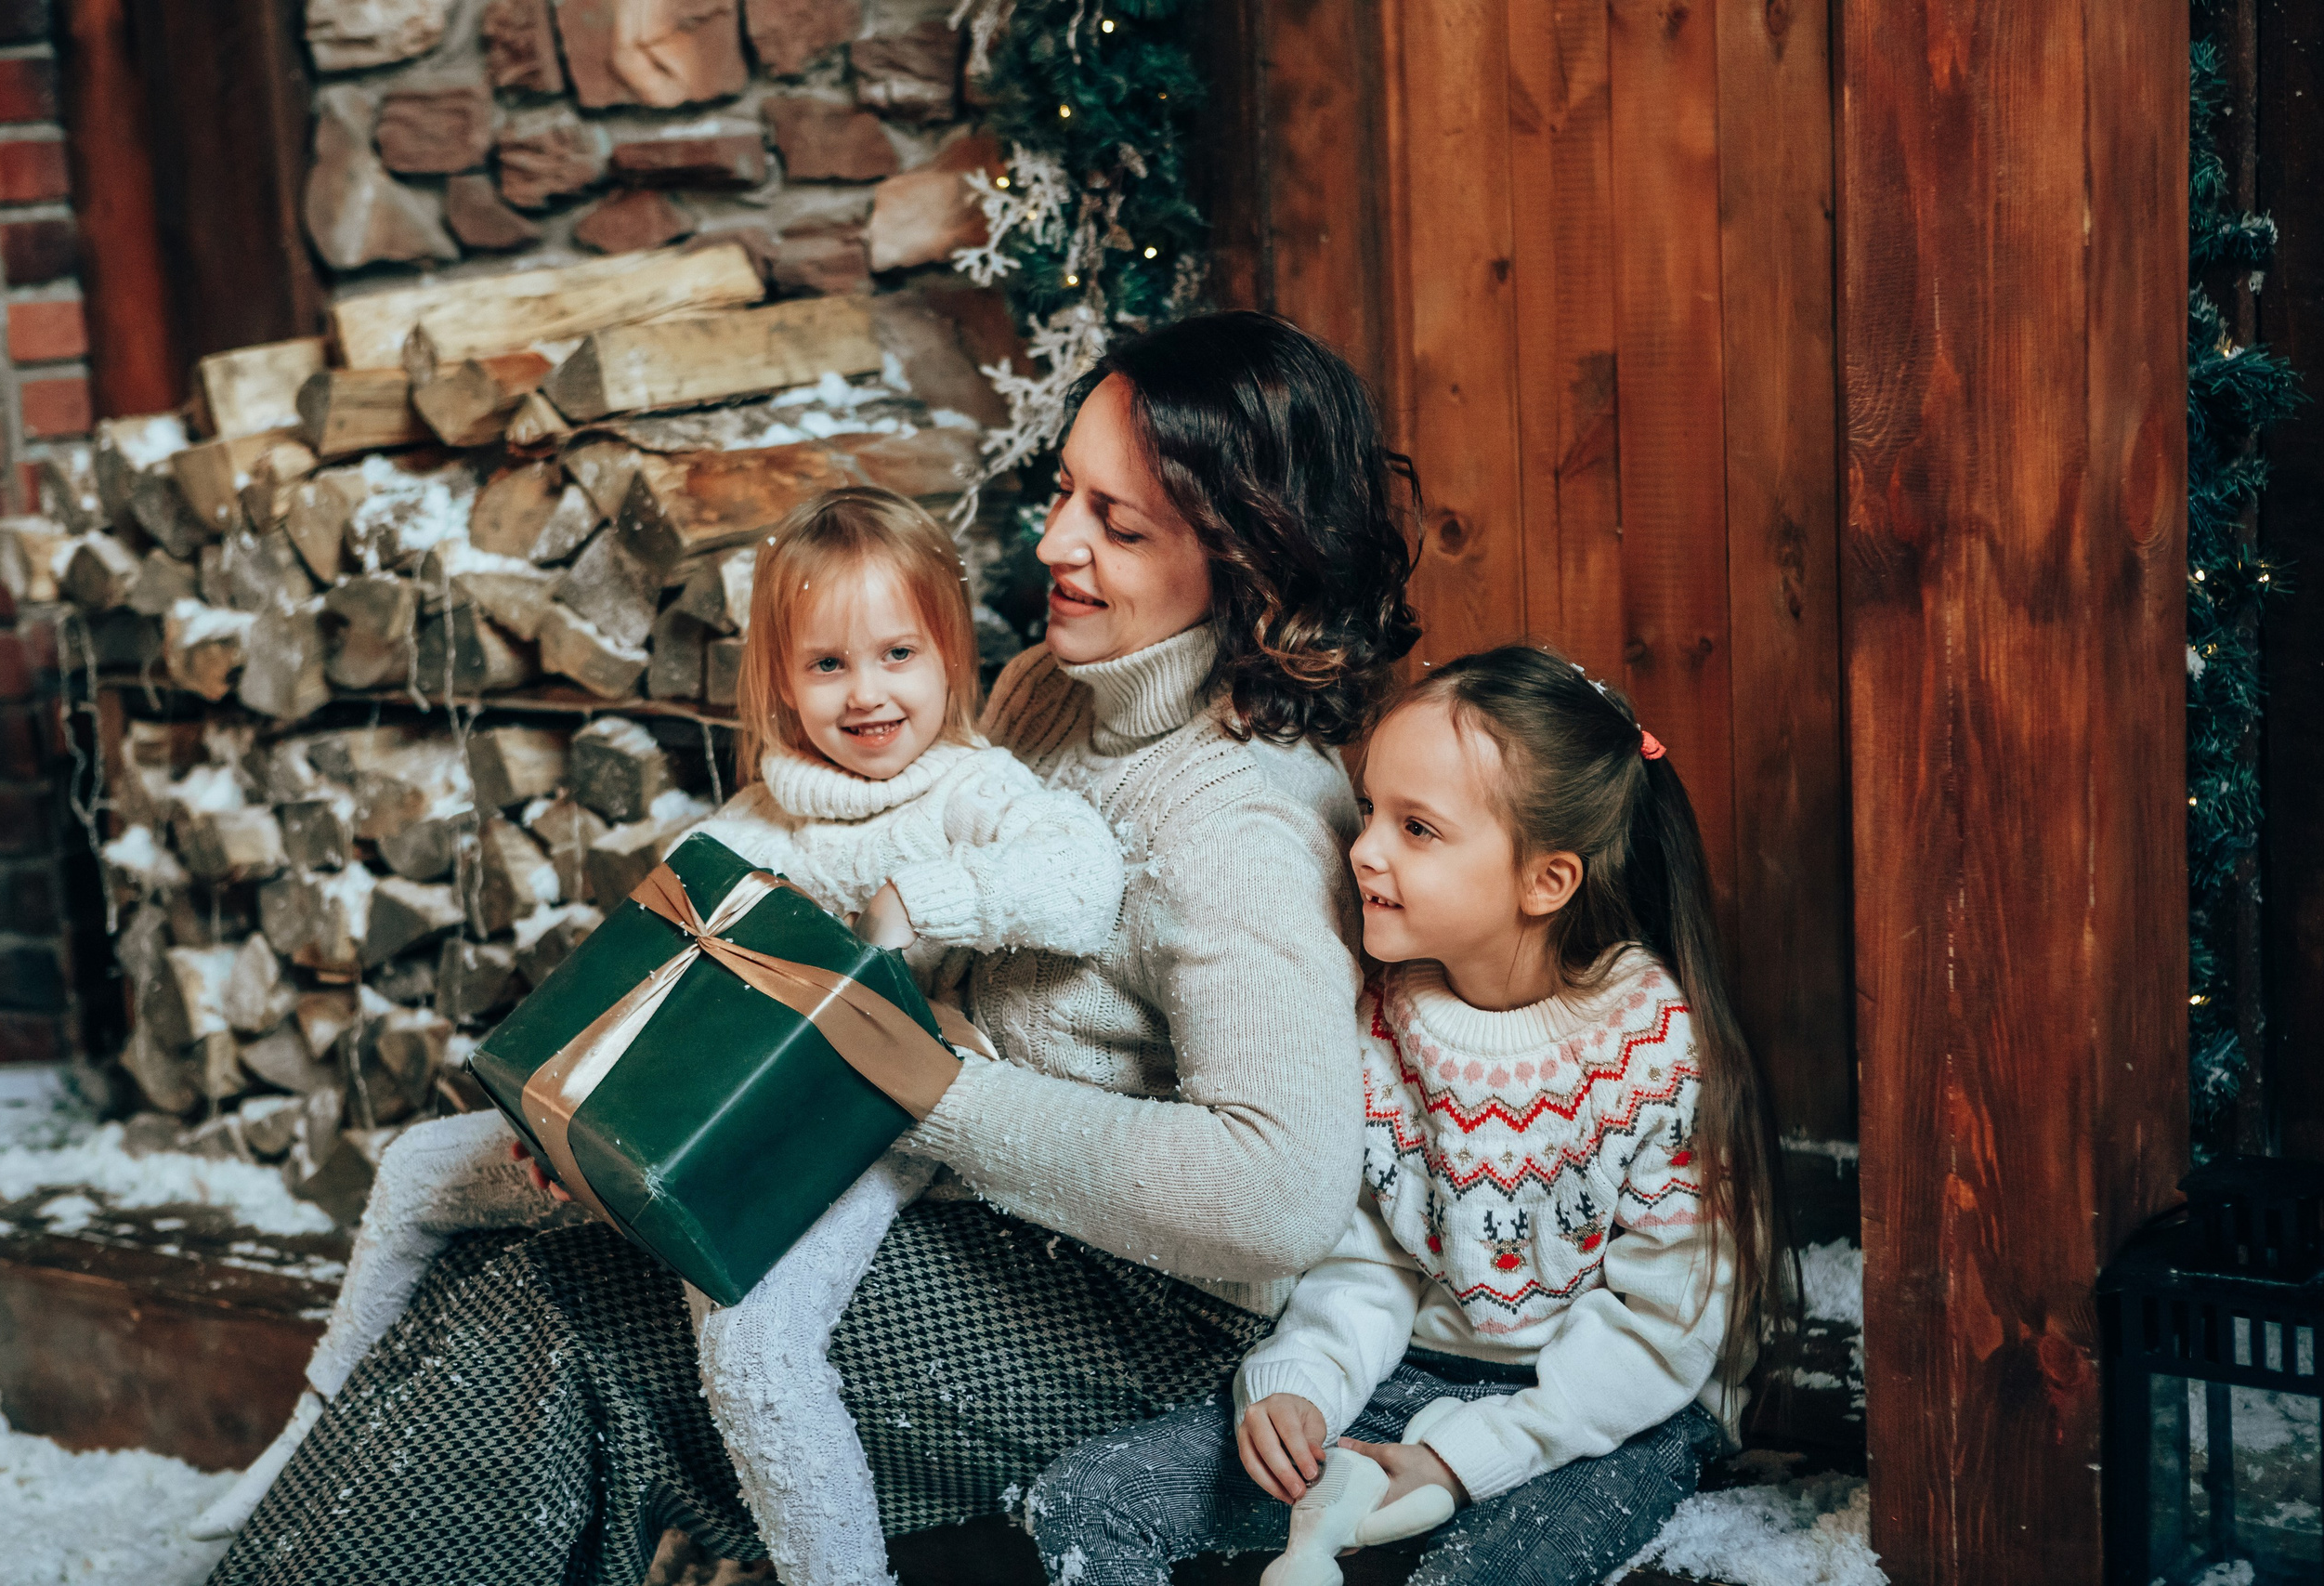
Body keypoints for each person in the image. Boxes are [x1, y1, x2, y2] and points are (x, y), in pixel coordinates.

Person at [206, 310, 1425, 1586]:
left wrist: (940, 1091)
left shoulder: (1247, 817)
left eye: (1121, 526)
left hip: (1118, 1308)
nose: (1057, 542)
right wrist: (618, 1112)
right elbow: (857, 951)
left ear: (1248, 561)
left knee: (566, 1328)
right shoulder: (1045, 695)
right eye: (1068, 490)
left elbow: (1277, 1198)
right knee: (524, 1255)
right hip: (938, 1188)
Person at [189, 486, 1125, 1560]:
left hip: (865, 1129)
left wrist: (924, 901)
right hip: (701, 1124)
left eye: (897, 655)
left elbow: (1083, 879)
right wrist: (566, 1136)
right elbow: (647, 1006)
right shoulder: (741, 829)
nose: (867, 694)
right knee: (413, 1170)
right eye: (827, 665)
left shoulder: (970, 791)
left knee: (752, 1347)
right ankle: (305, 1441)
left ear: (949, 655)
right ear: (779, 677)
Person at [1026, 647, 1793, 1586]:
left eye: (1417, 828)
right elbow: (1371, 1251)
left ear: (1544, 882)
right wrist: (1304, 1383)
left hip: (1615, 1413)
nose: (1363, 849)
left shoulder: (1653, 1046)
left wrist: (1465, 1459)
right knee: (1086, 1501)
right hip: (1409, 1378)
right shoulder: (1381, 1012)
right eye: (1371, 810)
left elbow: (1662, 1325)